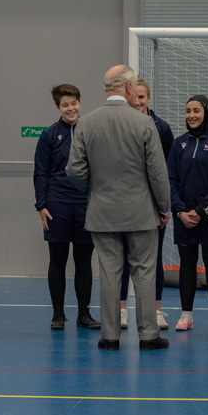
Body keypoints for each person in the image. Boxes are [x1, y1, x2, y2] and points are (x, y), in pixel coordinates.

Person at [66, 65, 172, 351]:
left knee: (110, 274)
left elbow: (74, 171)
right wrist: (164, 206)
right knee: (145, 273)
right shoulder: (143, 122)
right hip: (141, 213)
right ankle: (149, 336)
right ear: (128, 88)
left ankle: (110, 336)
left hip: (101, 213)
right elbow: (158, 173)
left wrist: (94, 189)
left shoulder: (86, 123)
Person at [34, 83, 100, 330]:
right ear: (58, 107)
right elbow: (41, 173)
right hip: (57, 205)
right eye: (65, 105)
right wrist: (41, 205)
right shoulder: (49, 136)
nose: (70, 108)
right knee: (58, 261)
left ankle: (84, 314)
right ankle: (58, 315)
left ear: (80, 103)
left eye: (74, 103)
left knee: (84, 262)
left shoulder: (92, 131)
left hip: (86, 205)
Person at [168, 95, 208, 331]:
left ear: (206, 112)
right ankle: (186, 315)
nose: (191, 115)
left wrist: (200, 212)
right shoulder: (178, 144)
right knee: (187, 264)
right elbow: (170, 180)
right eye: (188, 111)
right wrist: (181, 212)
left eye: (196, 110)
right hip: (184, 219)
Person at [120, 79, 173, 330]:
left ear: (148, 98)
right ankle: (121, 310)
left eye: (142, 97)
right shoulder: (119, 125)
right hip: (123, 203)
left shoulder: (161, 128)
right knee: (120, 257)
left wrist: (165, 205)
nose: (138, 101)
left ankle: (156, 311)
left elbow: (167, 170)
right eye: (134, 97)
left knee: (153, 258)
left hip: (152, 206)